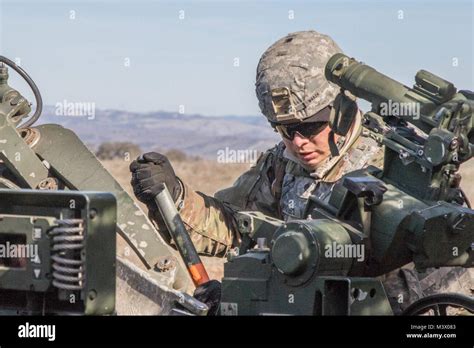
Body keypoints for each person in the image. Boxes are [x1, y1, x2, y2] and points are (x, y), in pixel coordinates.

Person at [130, 30, 472, 315]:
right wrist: (174, 195)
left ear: (341, 109)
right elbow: (234, 227)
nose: (298, 143)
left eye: (310, 127)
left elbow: (448, 283)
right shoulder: (282, 165)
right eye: (284, 129)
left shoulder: (402, 165)